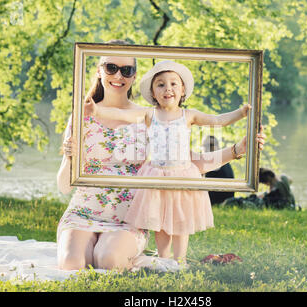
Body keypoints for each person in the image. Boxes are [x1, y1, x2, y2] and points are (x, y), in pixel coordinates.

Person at [57, 41, 266, 271]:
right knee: (71, 264)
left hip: (128, 217)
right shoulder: (81, 115)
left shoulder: (150, 117)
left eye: (126, 70)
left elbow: (190, 162)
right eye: (111, 68)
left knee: (109, 261)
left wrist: (238, 149)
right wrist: (69, 157)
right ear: (99, 70)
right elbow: (64, 187)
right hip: (82, 212)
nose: (118, 75)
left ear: (135, 76)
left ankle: (148, 256)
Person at [86, 60, 251, 263]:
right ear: (153, 92)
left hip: (183, 174)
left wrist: (241, 113)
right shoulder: (149, 114)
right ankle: (164, 259)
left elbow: (217, 120)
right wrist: (96, 111)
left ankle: (180, 259)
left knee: (181, 220)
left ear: (182, 90)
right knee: (160, 221)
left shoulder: (188, 115)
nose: (168, 89)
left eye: (174, 84)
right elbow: (123, 114)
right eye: (161, 84)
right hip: (156, 174)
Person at [221, 167, 296, 210]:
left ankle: (225, 204)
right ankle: (226, 203)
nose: (266, 184)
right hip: (283, 204)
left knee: (241, 201)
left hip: (269, 204)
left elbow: (267, 197)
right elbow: (290, 180)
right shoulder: (282, 179)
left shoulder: (276, 188)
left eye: (264, 182)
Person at [202, 135, 235, 205]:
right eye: (204, 145)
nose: (207, 148)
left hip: (219, 202)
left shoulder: (218, 163)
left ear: (218, 147)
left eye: (211, 145)